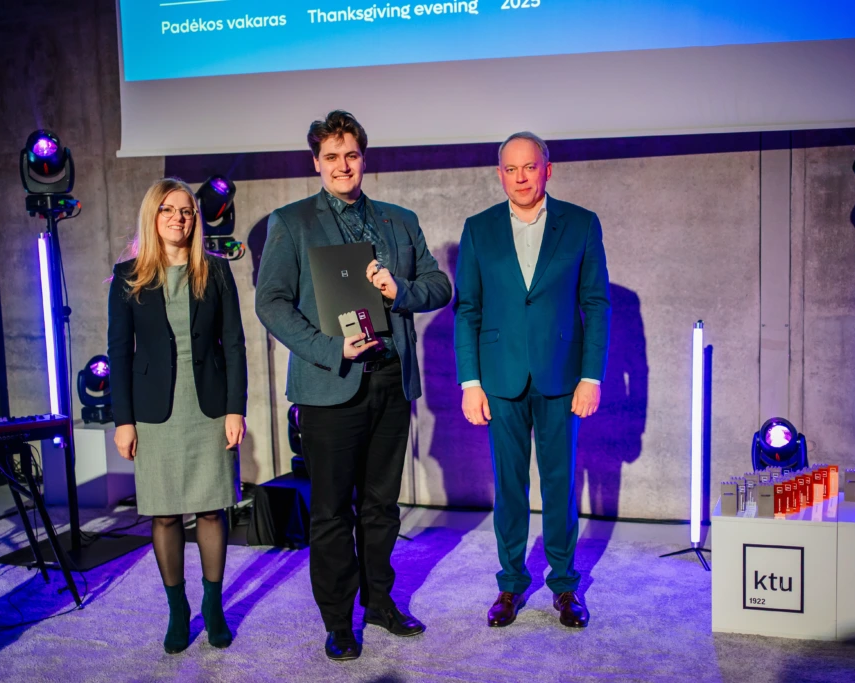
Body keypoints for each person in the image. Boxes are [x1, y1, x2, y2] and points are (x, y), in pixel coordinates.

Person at [255, 110, 451, 661]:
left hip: (390, 378)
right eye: (332, 157)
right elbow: (271, 302)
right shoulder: (291, 222)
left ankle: (381, 603)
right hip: (330, 382)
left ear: (364, 158)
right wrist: (327, 348)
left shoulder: (399, 220)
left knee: (382, 506)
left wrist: (399, 289)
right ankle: (339, 621)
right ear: (316, 163)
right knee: (331, 512)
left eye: (352, 155)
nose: (343, 166)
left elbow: (439, 286)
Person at [454, 131, 611, 629]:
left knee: (560, 484)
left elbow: (596, 304)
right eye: (510, 169)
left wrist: (591, 376)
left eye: (529, 167)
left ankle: (564, 585)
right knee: (510, 486)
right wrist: (469, 382)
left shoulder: (581, 224)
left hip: (561, 375)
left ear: (547, 169)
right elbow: (467, 309)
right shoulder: (478, 228)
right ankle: (510, 583)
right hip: (499, 377)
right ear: (499, 174)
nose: (520, 178)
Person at [108, 177, 248, 654]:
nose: (178, 218)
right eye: (168, 209)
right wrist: (123, 419)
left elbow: (234, 345)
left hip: (208, 406)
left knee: (211, 508)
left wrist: (235, 409)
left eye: (186, 211)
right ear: (153, 215)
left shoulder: (216, 271)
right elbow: (119, 353)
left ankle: (213, 605)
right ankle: (178, 609)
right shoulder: (127, 276)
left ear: (195, 219)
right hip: (153, 412)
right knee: (165, 514)